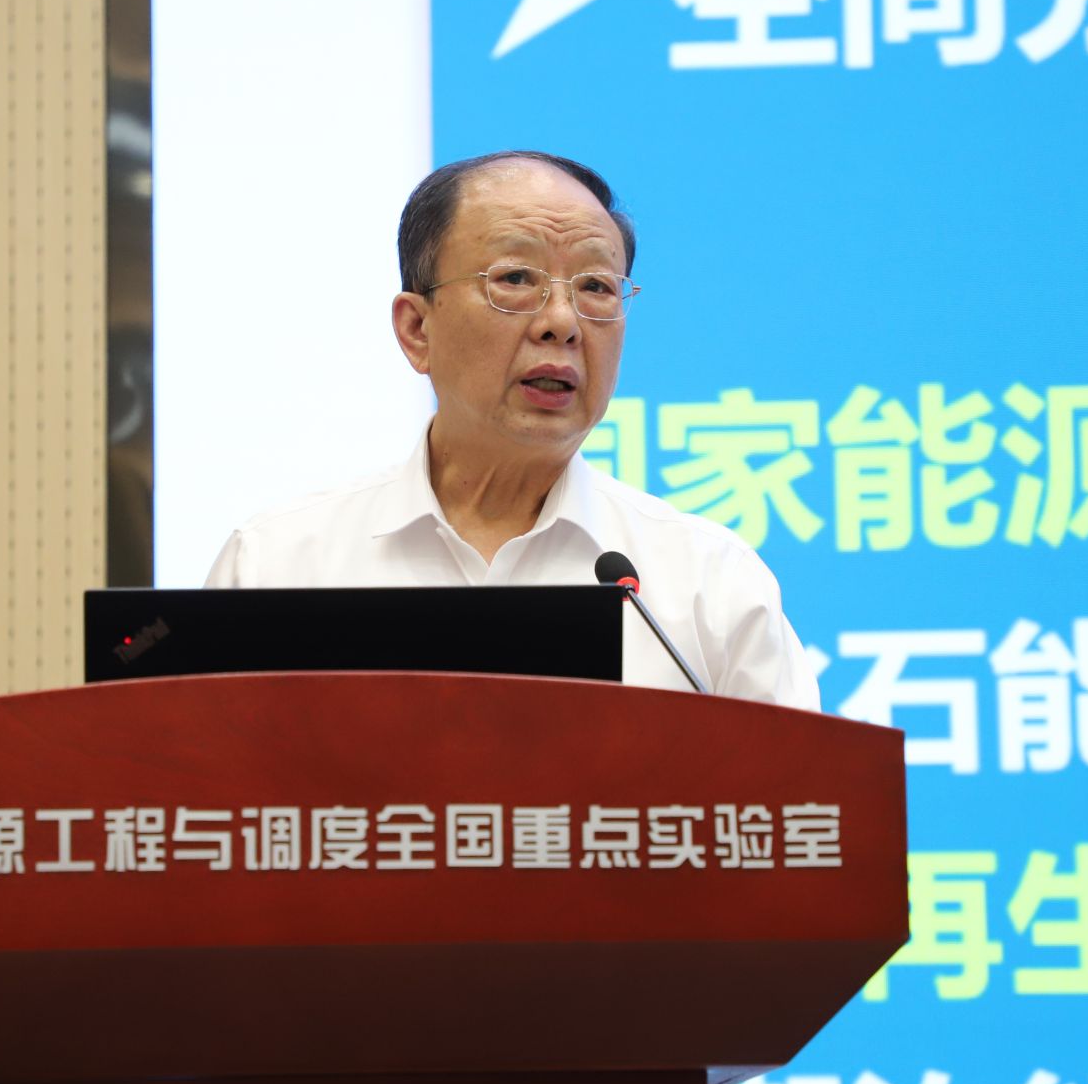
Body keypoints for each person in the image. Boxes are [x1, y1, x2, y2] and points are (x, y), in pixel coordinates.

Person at [205, 150, 820, 709]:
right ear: (417, 330)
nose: (562, 323)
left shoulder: (707, 583)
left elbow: (804, 794)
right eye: (516, 280)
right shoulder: (278, 566)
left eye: (596, 288)